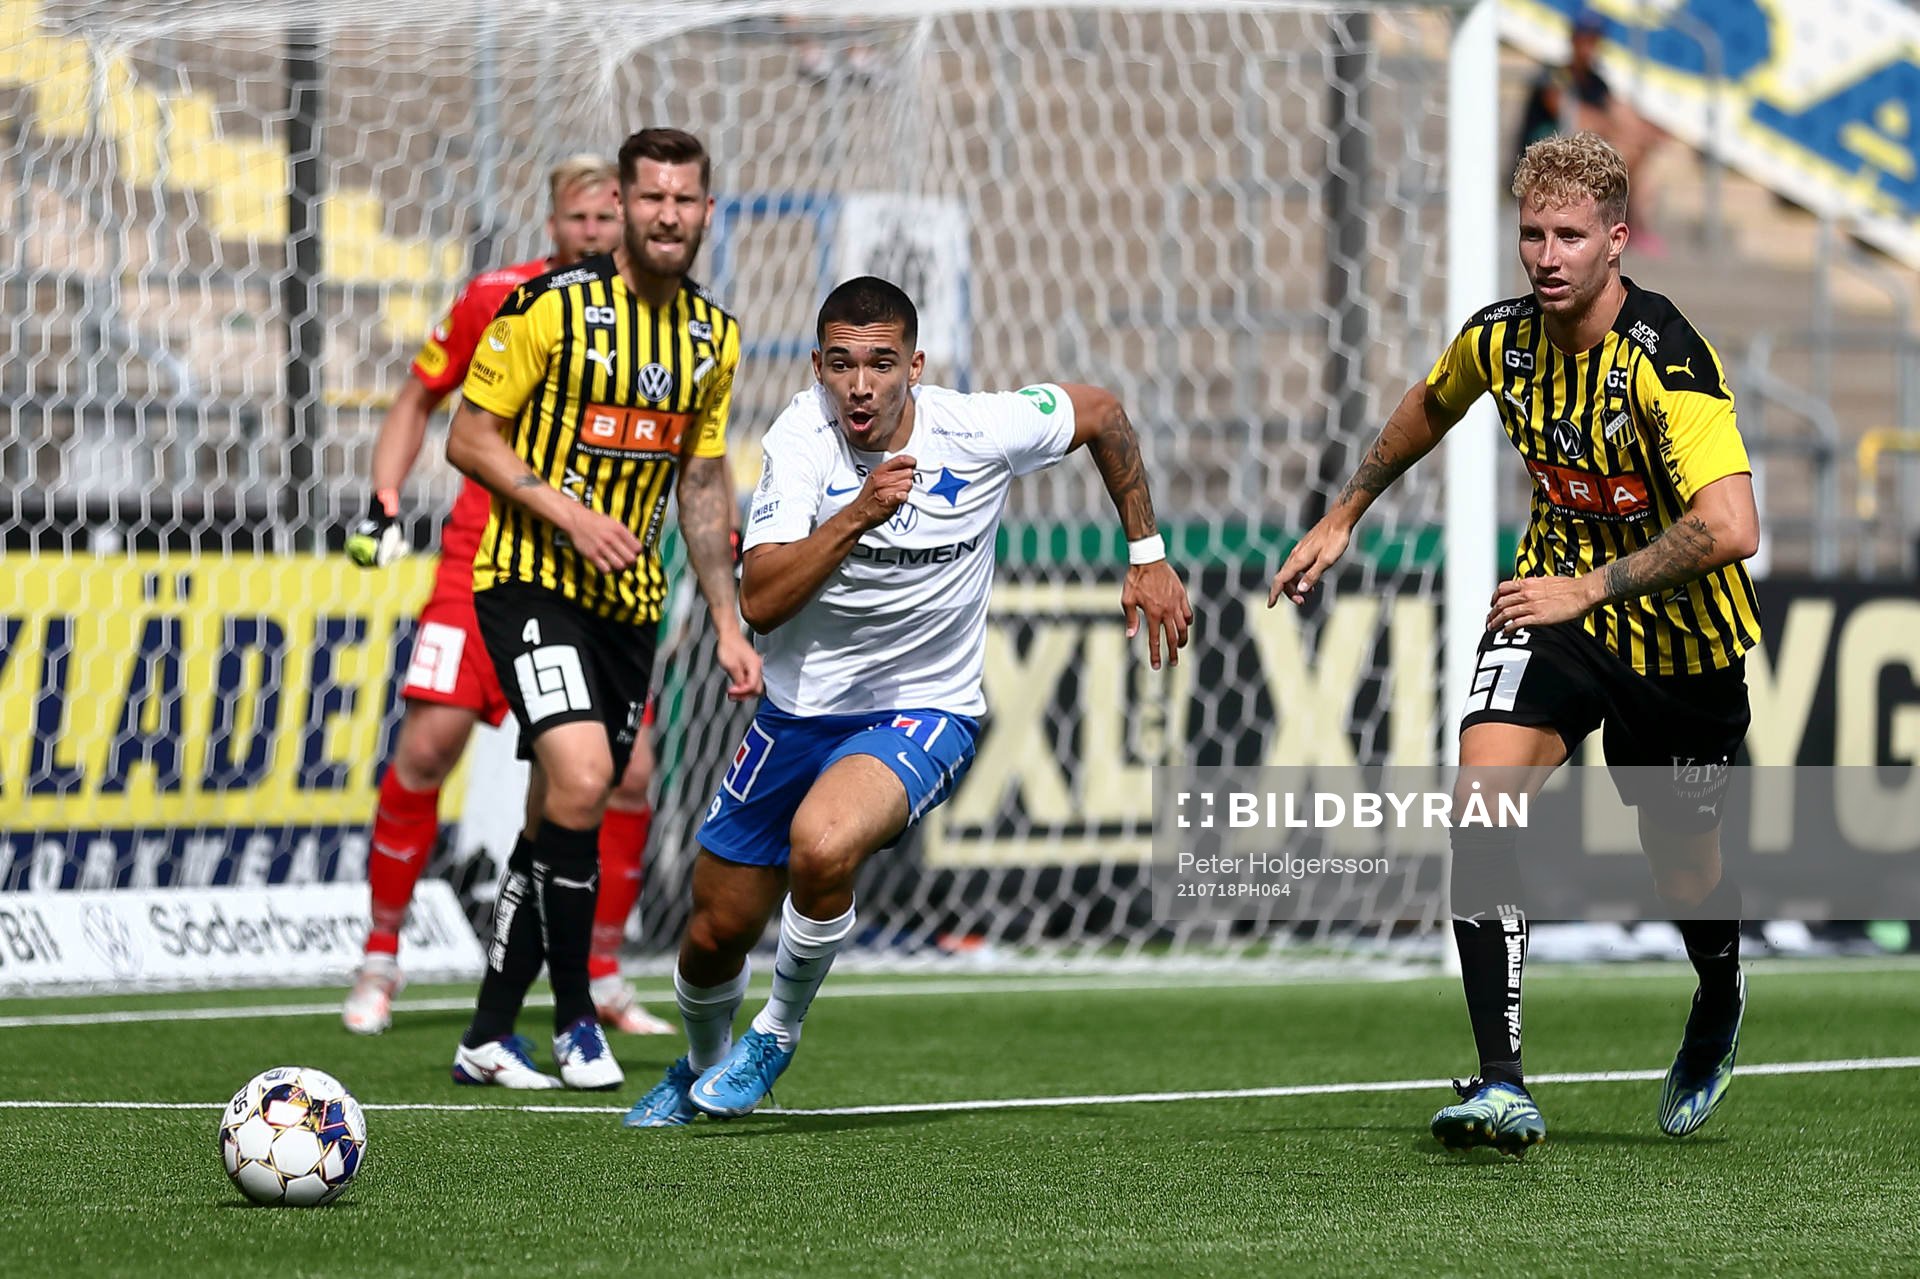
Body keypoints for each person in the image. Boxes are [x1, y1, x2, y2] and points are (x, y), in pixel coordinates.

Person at [1271, 132, 1760, 1155]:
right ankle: (1503, 1085)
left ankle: (1718, 990)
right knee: (1479, 805)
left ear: (1617, 241)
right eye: (1532, 232)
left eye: (1570, 235)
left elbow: (1731, 526)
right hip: (1553, 615)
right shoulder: (1503, 340)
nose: (1546, 254)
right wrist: (1345, 511)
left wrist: (1593, 583)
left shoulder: (1666, 360)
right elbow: (1430, 403)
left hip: (1679, 648)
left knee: (1687, 877)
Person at [622, 275, 1193, 1127]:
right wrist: (856, 515)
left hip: (927, 707)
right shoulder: (799, 441)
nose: (861, 386)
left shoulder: (980, 427)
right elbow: (763, 599)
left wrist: (1146, 552)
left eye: (882, 364)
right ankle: (706, 1070)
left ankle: (776, 1032)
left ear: (914, 366)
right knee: (712, 932)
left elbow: (1104, 412)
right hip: (797, 711)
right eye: (843, 365)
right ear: (817, 366)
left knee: (823, 844)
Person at [443, 127, 763, 1090]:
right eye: (652, 197)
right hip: (529, 580)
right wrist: (569, 514)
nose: (669, 214)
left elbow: (702, 484)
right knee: (583, 778)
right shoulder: (553, 308)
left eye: (686, 199)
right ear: (621, 205)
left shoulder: (715, 336)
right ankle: (579, 1016)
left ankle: (488, 1034)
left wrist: (725, 616)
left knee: (558, 810)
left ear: (707, 212)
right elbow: (469, 437)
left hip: (632, 605)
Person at [340, 156, 674, 1039]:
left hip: (586, 575)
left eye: (611, 217)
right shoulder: (500, 297)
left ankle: (601, 970)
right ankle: (380, 957)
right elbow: (420, 399)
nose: (596, 232)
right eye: (580, 218)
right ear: (553, 222)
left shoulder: (658, 320)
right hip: (479, 561)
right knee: (429, 745)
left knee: (627, 772)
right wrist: (383, 499)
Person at [1515, 10, 1666, 247]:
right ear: (1573, 40)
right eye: (1586, 39)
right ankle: (1622, 222)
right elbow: (1573, 115)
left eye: (1595, 40)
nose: (1590, 47)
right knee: (1623, 154)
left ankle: (1629, 223)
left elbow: (1618, 112)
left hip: (1577, 156)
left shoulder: (1596, 81)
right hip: (1544, 158)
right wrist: (1620, 130)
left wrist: (1646, 132)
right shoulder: (1555, 75)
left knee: (1637, 151)